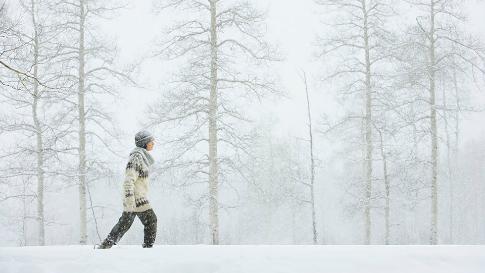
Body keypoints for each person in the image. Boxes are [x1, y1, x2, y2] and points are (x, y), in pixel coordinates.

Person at [97, 130, 157, 249]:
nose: (153, 143)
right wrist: (130, 201)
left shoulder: (141, 157)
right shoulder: (136, 158)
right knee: (150, 221)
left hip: (138, 198)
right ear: (144, 143)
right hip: (135, 199)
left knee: (125, 223)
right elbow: (128, 181)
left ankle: (106, 245)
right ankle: (148, 249)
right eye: (151, 141)